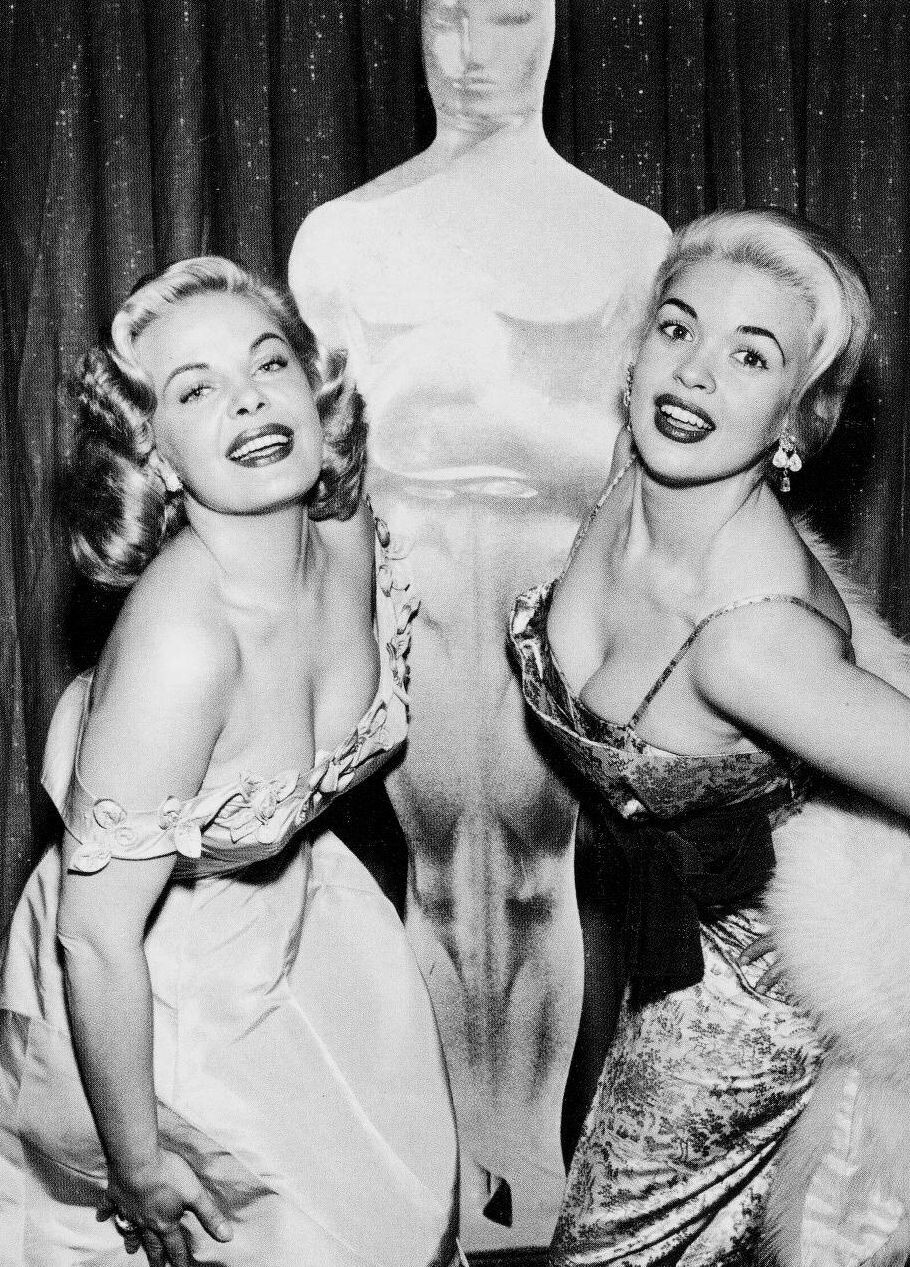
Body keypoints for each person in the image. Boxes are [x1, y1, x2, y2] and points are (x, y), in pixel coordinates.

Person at [289, 0, 669, 1242]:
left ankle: (530, 1180)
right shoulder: (343, 237)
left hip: (544, 608)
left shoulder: (626, 240)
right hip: (414, 605)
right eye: (447, 17)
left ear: (552, 25)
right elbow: (325, 470)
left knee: (535, 877)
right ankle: (456, 1173)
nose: (469, 53)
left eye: (506, 17)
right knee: (444, 879)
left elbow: (636, 466)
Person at [0, 258, 459, 1267]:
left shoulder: (342, 527)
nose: (249, 398)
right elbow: (96, 939)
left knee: (391, 1214)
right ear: (155, 455)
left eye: (269, 363)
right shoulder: (181, 642)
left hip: (297, 918)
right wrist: (136, 1164)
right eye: (195, 389)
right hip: (144, 982)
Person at [509, 209, 910, 1264]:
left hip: (752, 996)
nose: (693, 374)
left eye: (751, 355)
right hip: (656, 934)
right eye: (679, 328)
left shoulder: (755, 643)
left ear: (798, 418)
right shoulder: (634, 473)